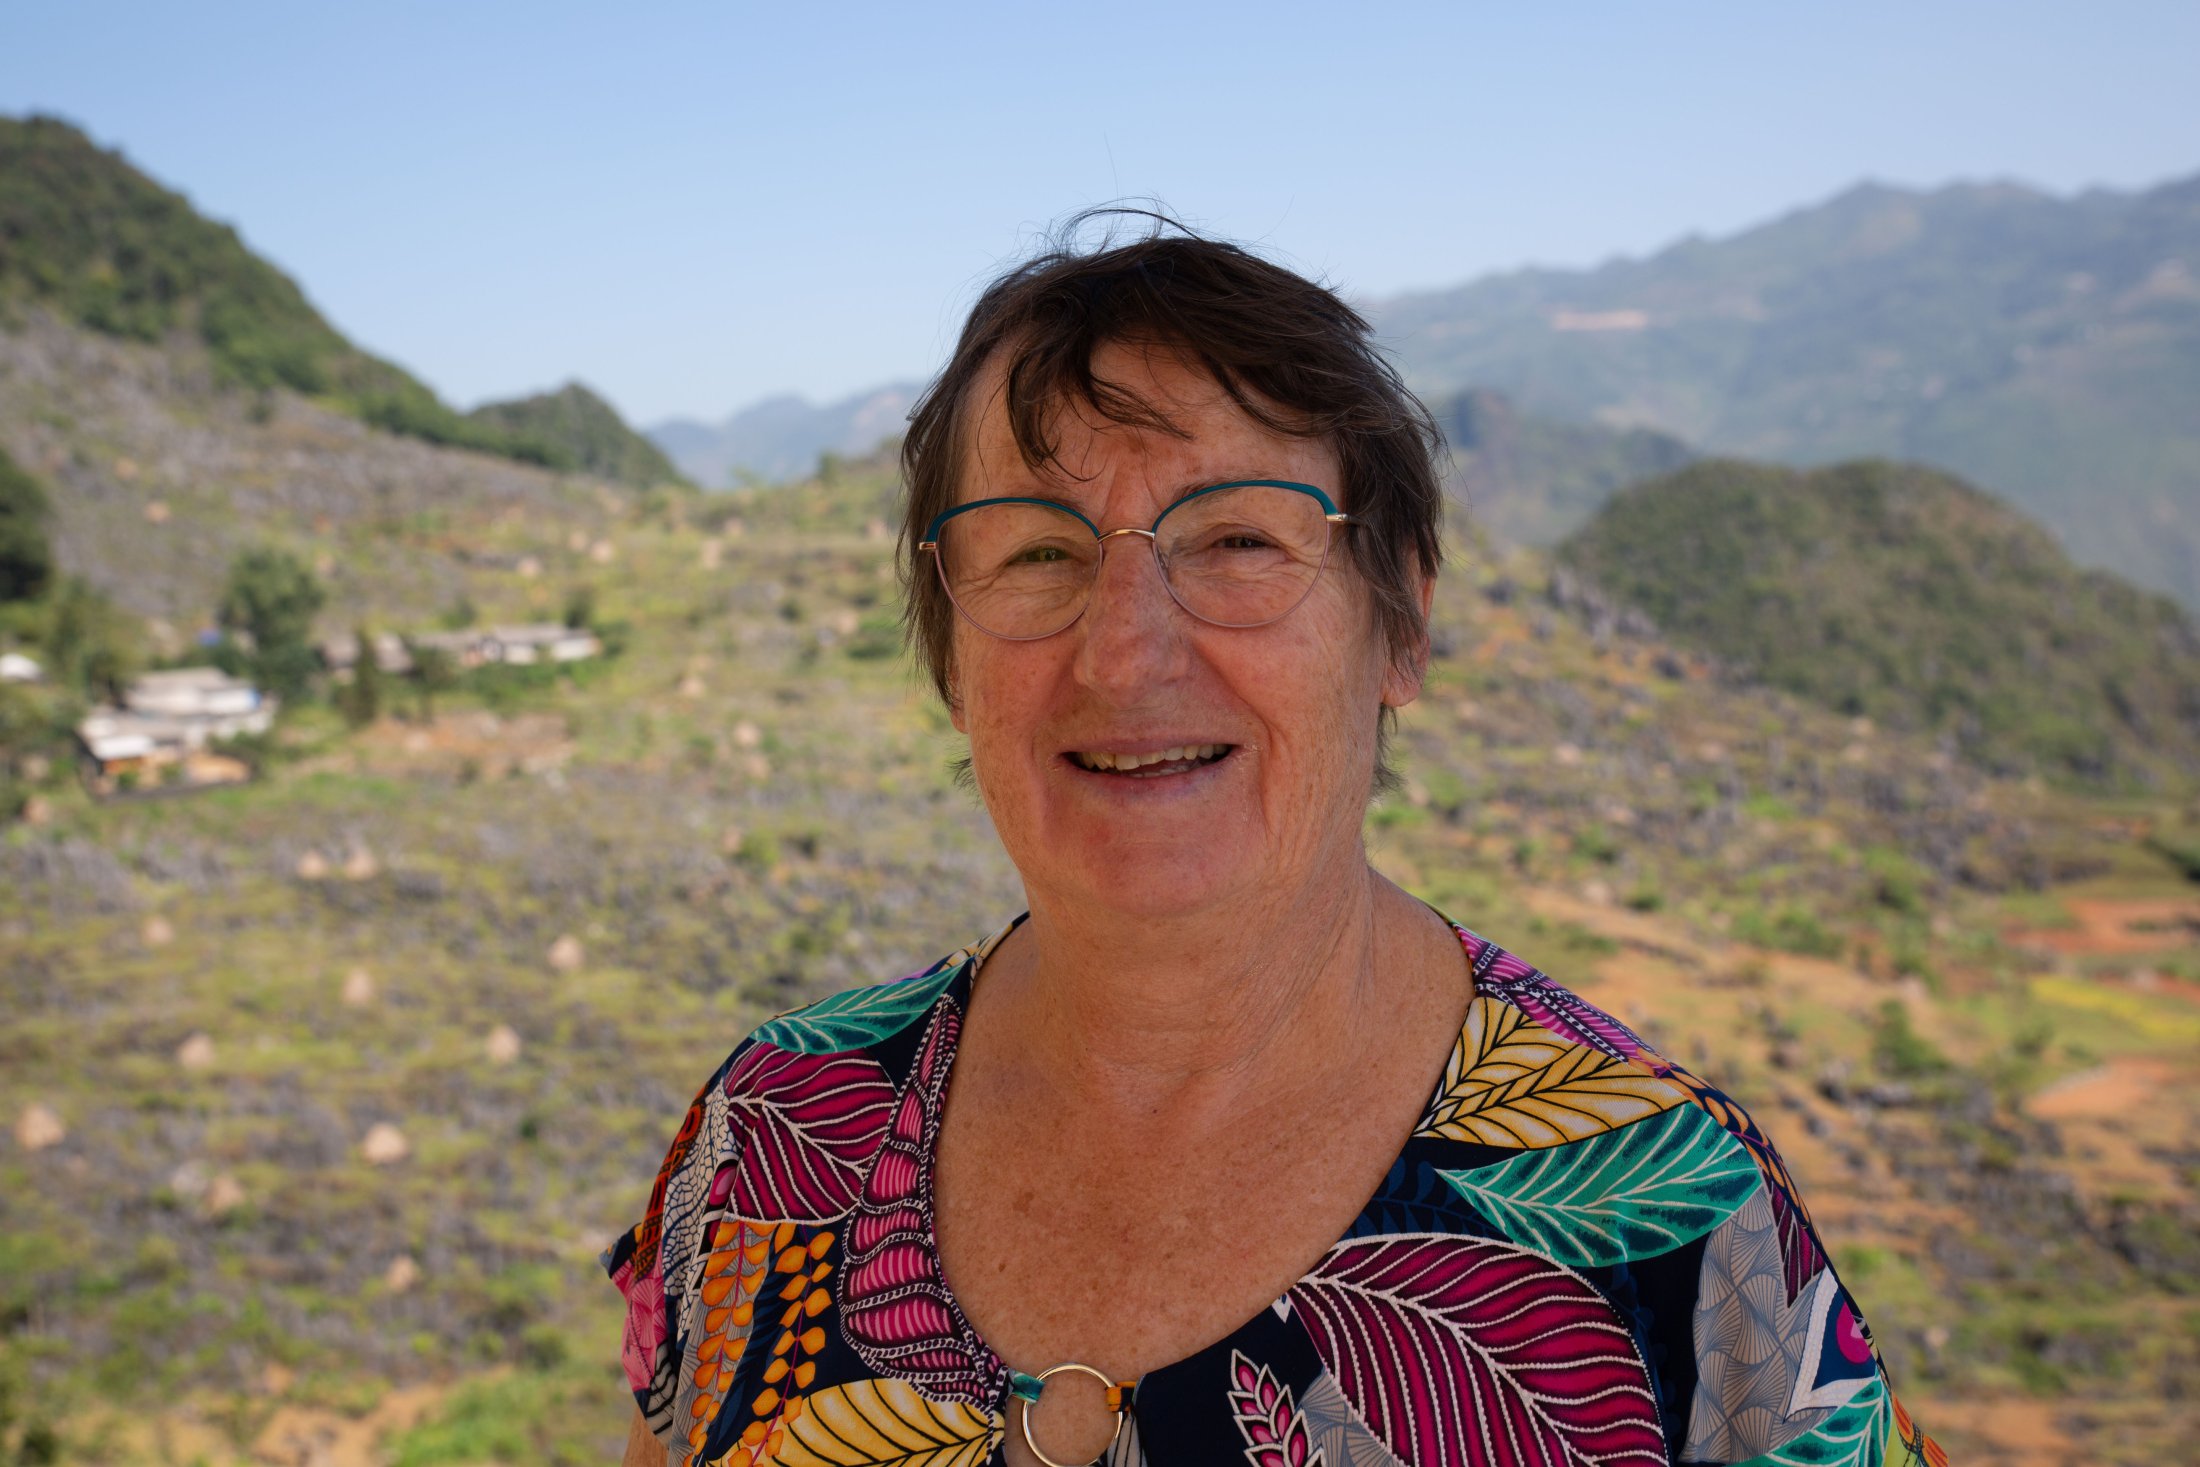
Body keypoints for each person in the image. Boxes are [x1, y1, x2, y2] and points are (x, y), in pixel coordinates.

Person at [606, 219, 1945, 1467]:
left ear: (1399, 625)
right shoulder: (770, 1140)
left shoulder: (1675, 1218)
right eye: (1037, 554)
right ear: (951, 654)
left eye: (1239, 539)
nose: (1125, 652)